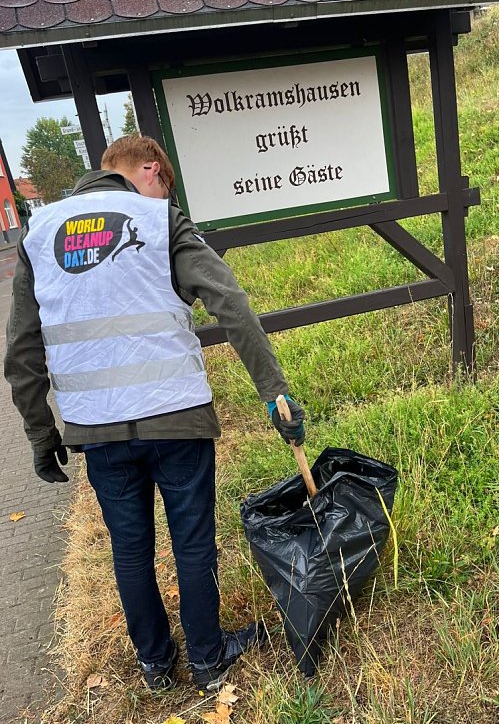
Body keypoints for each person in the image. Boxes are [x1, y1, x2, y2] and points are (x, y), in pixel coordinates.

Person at [4, 135, 305, 692]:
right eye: (165, 179)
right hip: (176, 418)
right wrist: (275, 392)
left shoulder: (39, 234)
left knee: (130, 546)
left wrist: (41, 434)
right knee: (191, 541)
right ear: (149, 170)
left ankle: (156, 665)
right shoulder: (158, 217)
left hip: (96, 429)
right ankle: (210, 661)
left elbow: (21, 348)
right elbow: (230, 303)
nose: (167, 190)